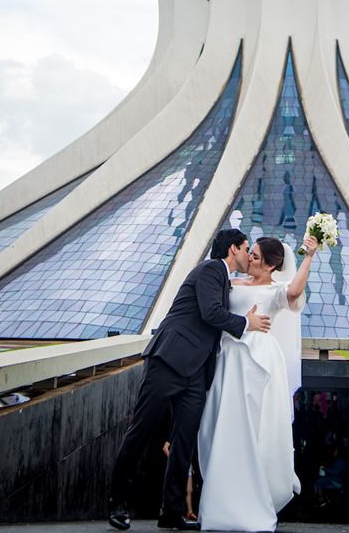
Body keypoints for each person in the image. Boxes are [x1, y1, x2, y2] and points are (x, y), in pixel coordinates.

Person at [108, 228, 271, 532]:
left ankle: (172, 513)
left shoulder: (223, 279)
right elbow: (211, 313)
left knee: (184, 443)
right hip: (170, 361)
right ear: (232, 249)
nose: (250, 255)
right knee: (141, 431)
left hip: (197, 372)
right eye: (246, 248)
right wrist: (246, 323)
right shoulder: (210, 270)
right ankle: (118, 504)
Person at [198, 234, 318, 532]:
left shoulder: (276, 290)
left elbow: (294, 292)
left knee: (253, 426)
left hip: (258, 361)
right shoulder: (232, 284)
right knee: (219, 424)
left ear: (269, 263)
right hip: (228, 358)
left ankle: (250, 494)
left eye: (254, 255)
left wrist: (310, 257)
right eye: (248, 253)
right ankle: (220, 497)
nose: (248, 257)